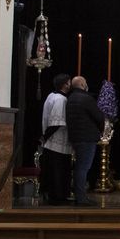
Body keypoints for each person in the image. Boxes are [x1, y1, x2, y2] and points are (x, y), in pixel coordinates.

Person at [64, 75, 107, 206]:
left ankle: (79, 195)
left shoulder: (70, 98)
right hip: (86, 137)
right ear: (83, 85)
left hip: (75, 137)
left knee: (79, 167)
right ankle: (81, 198)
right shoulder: (86, 98)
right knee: (83, 168)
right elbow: (99, 116)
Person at [40, 73, 72, 204]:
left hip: (52, 142)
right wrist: (45, 138)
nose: (70, 84)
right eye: (69, 82)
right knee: (58, 171)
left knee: (54, 170)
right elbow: (56, 122)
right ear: (65, 84)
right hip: (56, 142)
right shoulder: (60, 99)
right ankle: (58, 197)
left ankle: (55, 195)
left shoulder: (51, 96)